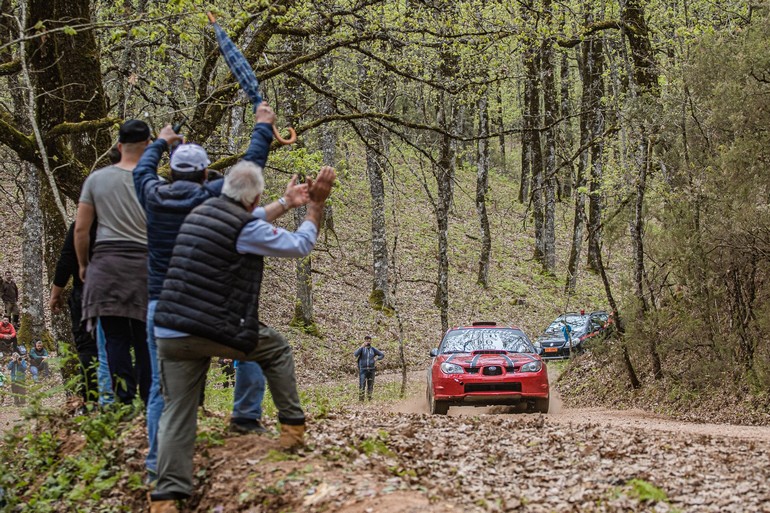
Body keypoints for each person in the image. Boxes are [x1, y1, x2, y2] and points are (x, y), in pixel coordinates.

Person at [148, 161, 335, 511]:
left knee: (177, 411)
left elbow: (252, 218)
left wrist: (285, 202)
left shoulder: (202, 212)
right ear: (254, 197)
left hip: (170, 330)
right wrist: (314, 207)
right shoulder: (245, 226)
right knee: (276, 348)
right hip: (213, 326)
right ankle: (293, 429)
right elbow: (299, 245)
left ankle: (165, 498)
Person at [132, 104, 292, 482]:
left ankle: (158, 464)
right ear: (206, 173)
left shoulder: (153, 196)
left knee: (162, 390)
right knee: (252, 344)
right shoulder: (212, 197)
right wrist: (262, 127)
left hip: (161, 303)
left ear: (170, 171)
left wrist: (161, 141)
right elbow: (250, 166)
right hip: (210, 299)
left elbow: (141, 170)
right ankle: (246, 418)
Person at [75, 119, 152, 406]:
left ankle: (122, 400)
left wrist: (84, 265)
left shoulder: (96, 180)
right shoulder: (152, 181)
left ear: (119, 146)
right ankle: (148, 398)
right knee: (145, 336)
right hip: (143, 265)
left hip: (106, 265)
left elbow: (82, 230)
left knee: (115, 337)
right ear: (148, 147)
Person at [50, 220, 104, 406]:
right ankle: (120, 399)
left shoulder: (81, 227)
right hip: (119, 293)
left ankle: (92, 401)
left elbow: (65, 261)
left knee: (88, 347)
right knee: (117, 342)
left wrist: (55, 294)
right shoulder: (123, 222)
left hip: (85, 294)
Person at [354, 335, 384, 401]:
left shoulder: (373, 349)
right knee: (362, 385)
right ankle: (361, 400)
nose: (368, 342)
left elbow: (382, 354)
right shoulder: (362, 349)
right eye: (367, 341)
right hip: (363, 370)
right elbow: (355, 354)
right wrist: (361, 346)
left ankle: (369, 399)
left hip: (371, 370)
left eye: (369, 341)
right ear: (364, 341)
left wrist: (377, 358)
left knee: (370, 385)